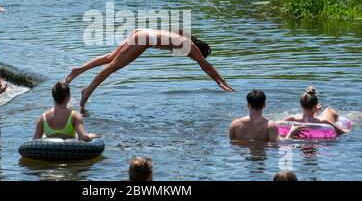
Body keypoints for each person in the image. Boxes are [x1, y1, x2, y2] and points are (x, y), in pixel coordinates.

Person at [66, 28, 234, 109]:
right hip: (143, 39)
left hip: (141, 32)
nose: (192, 58)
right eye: (195, 56)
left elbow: (175, 30)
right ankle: (87, 91)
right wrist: (221, 81)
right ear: (199, 51)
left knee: (110, 57)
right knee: (113, 66)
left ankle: (78, 70)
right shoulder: (191, 47)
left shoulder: (186, 38)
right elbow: (205, 65)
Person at [33, 81, 99, 141]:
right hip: (69, 150)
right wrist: (91, 136)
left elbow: (35, 141)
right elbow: (83, 137)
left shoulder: (43, 117)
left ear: (53, 96)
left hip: (50, 151)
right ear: (68, 97)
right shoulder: (75, 116)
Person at [229, 90, 300, 142]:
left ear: (248, 105)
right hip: (262, 156)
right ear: (264, 105)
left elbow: (232, 143)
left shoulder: (235, 124)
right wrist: (291, 132)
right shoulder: (270, 125)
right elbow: (279, 143)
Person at [283, 86, 348, 136]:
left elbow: (279, 125)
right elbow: (342, 132)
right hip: (320, 117)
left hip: (311, 113)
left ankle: (315, 111)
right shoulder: (324, 122)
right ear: (315, 106)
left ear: (301, 106)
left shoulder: (291, 119)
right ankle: (316, 111)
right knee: (329, 110)